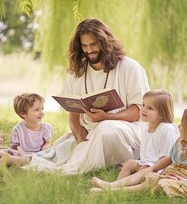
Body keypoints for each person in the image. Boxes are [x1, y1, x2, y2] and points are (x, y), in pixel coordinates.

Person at [26, 18, 150, 175]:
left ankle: (74, 170)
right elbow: (74, 119)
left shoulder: (130, 67)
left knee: (106, 130)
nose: (89, 50)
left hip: (127, 130)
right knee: (62, 151)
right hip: (90, 133)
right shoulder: (75, 72)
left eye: (93, 44)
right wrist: (81, 141)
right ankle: (96, 161)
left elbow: (138, 111)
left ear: (105, 42)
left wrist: (106, 117)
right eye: (84, 46)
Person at [91, 107, 187, 204]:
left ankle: (112, 192)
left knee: (157, 184)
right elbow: (169, 158)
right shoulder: (181, 143)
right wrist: (153, 168)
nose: (179, 127)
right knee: (150, 178)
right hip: (172, 175)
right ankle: (111, 186)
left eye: (183, 125)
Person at [117, 89, 179, 180]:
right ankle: (120, 183)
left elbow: (168, 158)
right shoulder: (147, 129)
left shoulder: (166, 129)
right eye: (143, 105)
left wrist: (149, 168)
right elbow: (146, 156)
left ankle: (123, 184)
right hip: (147, 164)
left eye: (150, 108)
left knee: (143, 168)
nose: (143, 109)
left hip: (162, 167)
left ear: (162, 114)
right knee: (130, 163)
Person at [9, 93, 54, 157]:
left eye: (42, 108)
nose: (41, 112)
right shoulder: (18, 130)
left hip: (40, 155)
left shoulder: (46, 128)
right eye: (37, 110)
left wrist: (44, 151)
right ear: (23, 113)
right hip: (22, 156)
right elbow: (14, 147)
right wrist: (20, 152)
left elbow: (47, 143)